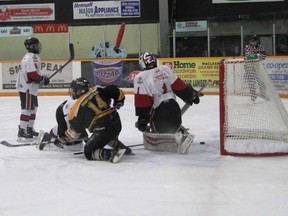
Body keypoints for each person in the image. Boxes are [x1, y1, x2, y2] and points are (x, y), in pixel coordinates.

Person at [133, 52, 200, 153]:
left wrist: (142, 120)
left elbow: (143, 101)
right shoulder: (165, 69)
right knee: (173, 127)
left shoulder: (140, 77)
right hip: (174, 108)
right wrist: (191, 96)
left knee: (161, 134)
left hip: (159, 111)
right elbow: (179, 86)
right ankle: (179, 133)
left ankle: (176, 139)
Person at [51, 84, 130, 163]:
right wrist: (119, 101)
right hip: (116, 122)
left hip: (104, 130)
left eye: (74, 91)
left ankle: (110, 153)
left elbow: (75, 134)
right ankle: (119, 146)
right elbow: (116, 90)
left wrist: (62, 139)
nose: (73, 93)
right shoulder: (97, 89)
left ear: (79, 91)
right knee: (102, 136)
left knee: (88, 152)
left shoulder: (76, 109)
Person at [39, 77, 90, 150]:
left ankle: (50, 136)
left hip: (64, 117)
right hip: (64, 118)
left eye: (74, 90)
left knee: (78, 143)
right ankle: (49, 141)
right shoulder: (73, 104)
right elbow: (76, 127)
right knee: (77, 146)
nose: (72, 92)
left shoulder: (76, 103)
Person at [16, 37, 49, 141]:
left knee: (33, 108)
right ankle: (22, 131)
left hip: (31, 88)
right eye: (35, 45)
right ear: (29, 47)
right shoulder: (31, 57)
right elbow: (31, 74)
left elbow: (33, 73)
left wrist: (41, 78)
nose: (37, 47)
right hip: (28, 88)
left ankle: (29, 129)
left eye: (37, 45)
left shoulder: (30, 57)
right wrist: (41, 79)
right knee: (26, 109)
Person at [244, 35, 267, 101]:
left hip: (257, 66)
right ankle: (253, 96)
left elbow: (263, 57)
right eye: (251, 41)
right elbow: (248, 56)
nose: (252, 43)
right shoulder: (247, 47)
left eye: (254, 41)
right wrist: (257, 54)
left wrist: (256, 55)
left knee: (261, 81)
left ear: (257, 41)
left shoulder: (260, 47)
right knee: (251, 81)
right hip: (248, 66)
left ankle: (263, 94)